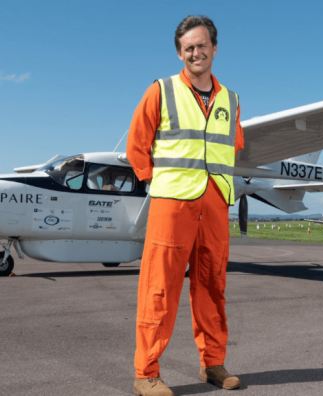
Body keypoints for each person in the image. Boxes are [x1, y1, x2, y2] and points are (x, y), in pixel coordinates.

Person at [126, 15, 244, 396]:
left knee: (213, 286)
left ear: (215, 48)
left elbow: (233, 146)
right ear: (181, 52)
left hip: (214, 205)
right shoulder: (160, 90)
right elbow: (137, 146)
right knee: (159, 288)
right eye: (189, 47)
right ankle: (146, 373)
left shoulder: (232, 99)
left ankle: (213, 364)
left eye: (202, 45)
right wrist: (156, 181)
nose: (196, 52)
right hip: (171, 205)